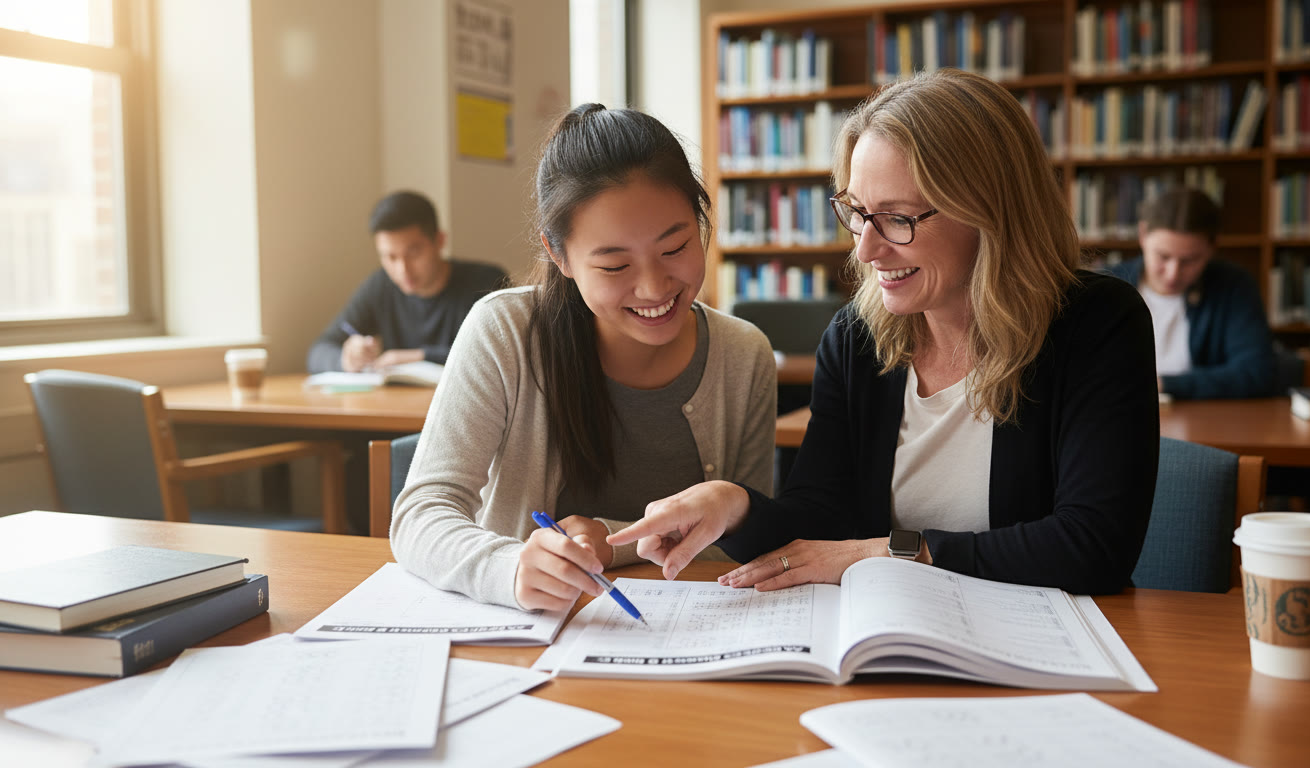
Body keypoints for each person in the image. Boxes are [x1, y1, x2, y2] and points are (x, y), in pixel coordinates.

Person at [610, 69, 1159, 597]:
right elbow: (820, 523)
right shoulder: (857, 338)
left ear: (989, 211)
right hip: (899, 637)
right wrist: (735, 507)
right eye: (857, 212)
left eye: (898, 218)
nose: (866, 250)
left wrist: (889, 553)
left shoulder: (1096, 322)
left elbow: (1093, 548)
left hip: (1043, 652)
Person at [390, 105, 778, 611]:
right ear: (560, 255)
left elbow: (743, 542)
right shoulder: (506, 332)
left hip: (681, 641)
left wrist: (607, 540)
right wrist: (508, 569)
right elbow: (422, 513)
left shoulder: (744, 355)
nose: (654, 287)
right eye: (615, 265)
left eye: (676, 246)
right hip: (528, 642)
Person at [307, 190, 509, 373]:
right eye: (390, 257)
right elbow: (318, 352)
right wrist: (347, 359)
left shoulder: (486, 282)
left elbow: (501, 355)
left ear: (439, 241)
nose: (402, 270)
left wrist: (418, 357)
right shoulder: (380, 286)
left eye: (413, 253)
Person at [1105, 187, 1276, 399]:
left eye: (1189, 260)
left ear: (1212, 247)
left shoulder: (1233, 287)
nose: (1173, 274)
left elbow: (1256, 372)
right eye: (1163, 256)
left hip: (1204, 423)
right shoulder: (1106, 285)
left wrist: (1165, 384)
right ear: (1143, 235)